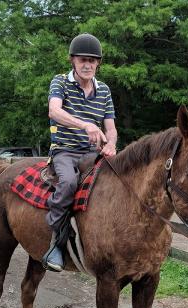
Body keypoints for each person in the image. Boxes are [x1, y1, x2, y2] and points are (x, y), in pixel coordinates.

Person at [42, 33, 118, 272]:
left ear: (98, 64)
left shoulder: (104, 90)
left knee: (120, 184)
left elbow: (111, 129)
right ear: (72, 61)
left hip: (92, 153)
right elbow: (54, 111)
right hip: (65, 150)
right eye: (82, 59)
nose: (88, 64)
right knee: (68, 183)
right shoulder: (60, 82)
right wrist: (85, 124)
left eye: (92, 60)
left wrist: (111, 145)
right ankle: (56, 240)